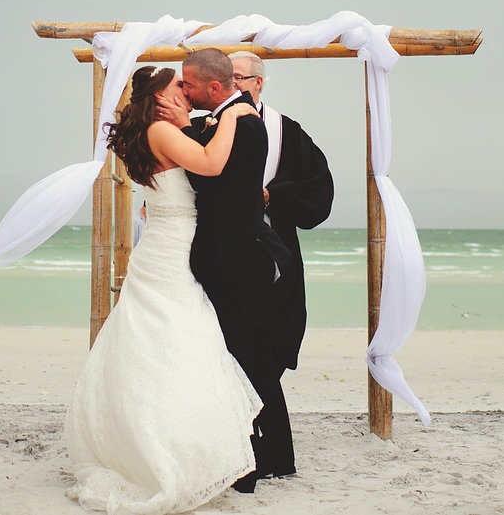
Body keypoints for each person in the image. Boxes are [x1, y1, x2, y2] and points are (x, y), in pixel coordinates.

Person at [65, 65, 264, 515]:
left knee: (153, 336)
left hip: (161, 243)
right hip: (174, 244)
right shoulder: (162, 131)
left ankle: (154, 441)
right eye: (177, 85)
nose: (185, 91)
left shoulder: (150, 132)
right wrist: (232, 117)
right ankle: (167, 450)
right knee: (177, 337)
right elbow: (212, 165)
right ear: (157, 95)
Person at [172, 48, 292, 491]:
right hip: (229, 256)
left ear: (215, 87)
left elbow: (209, 179)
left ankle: (265, 456)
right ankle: (270, 453)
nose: (184, 90)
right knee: (243, 355)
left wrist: (184, 128)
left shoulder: (240, 122)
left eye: (189, 84)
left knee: (249, 357)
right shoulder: (228, 118)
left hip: (236, 260)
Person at [230, 51, 334, 383]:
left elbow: (318, 188)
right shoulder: (209, 124)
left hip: (275, 246)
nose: (231, 84)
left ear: (257, 82)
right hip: (223, 246)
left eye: (238, 77)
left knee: (276, 333)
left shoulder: (286, 131)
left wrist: (273, 195)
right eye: (226, 78)